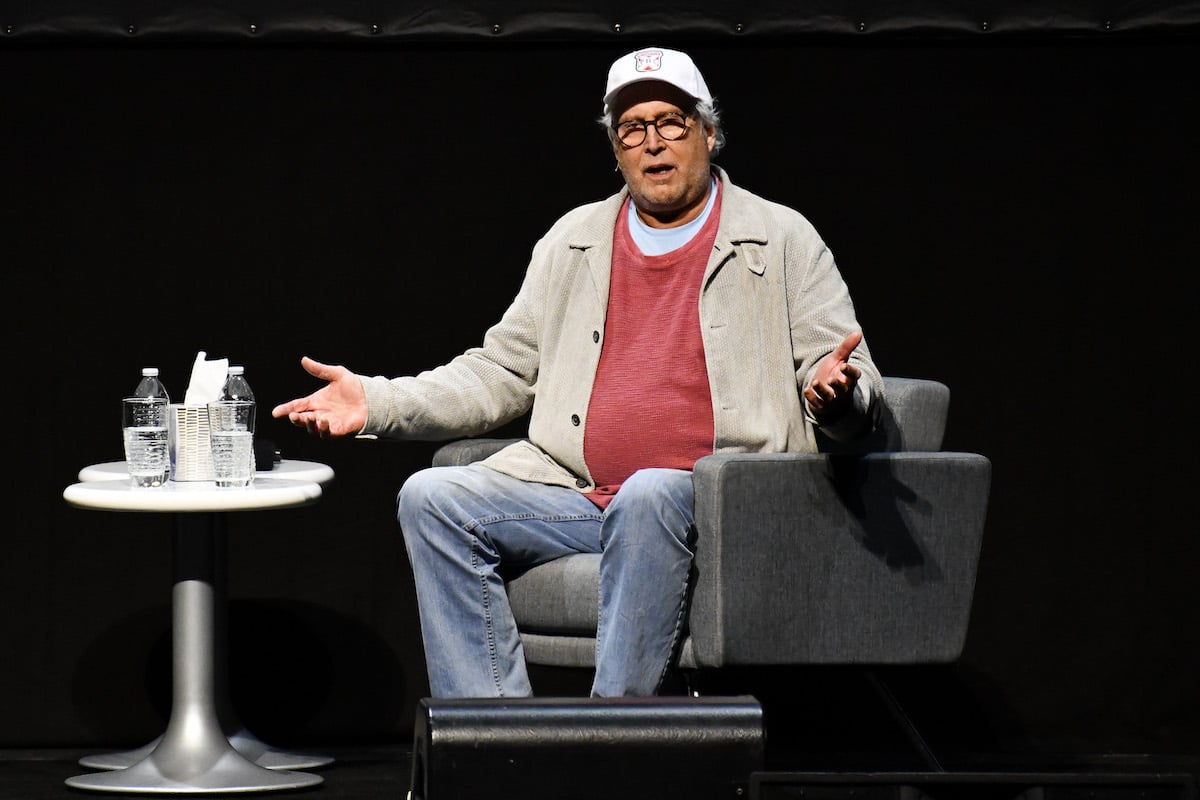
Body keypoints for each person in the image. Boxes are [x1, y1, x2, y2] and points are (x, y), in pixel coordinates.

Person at [273, 46, 884, 699]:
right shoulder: (573, 240)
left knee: (651, 493)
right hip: (583, 495)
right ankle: (496, 745)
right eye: (632, 129)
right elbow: (500, 369)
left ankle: (609, 742)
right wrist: (375, 402)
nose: (653, 143)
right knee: (433, 497)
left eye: (672, 122)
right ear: (616, 150)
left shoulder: (780, 237)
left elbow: (852, 376)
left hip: (718, 501)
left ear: (709, 132)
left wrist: (834, 398)